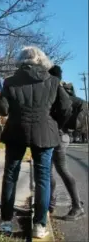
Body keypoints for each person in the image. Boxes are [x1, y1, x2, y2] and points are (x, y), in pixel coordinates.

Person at [0, 46, 72, 238]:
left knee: (10, 175)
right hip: (44, 131)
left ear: (21, 61)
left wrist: (2, 97)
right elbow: (66, 107)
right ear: (41, 61)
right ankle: (39, 225)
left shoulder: (10, 82)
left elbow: (2, 110)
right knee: (43, 178)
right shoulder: (53, 81)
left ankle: (5, 222)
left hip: (16, 131)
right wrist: (54, 124)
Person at [48, 65, 85, 221]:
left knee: (60, 170)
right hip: (60, 136)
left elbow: (64, 110)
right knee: (48, 171)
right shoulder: (61, 91)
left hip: (58, 136)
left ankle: (77, 206)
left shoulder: (57, 92)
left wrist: (57, 126)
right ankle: (50, 202)